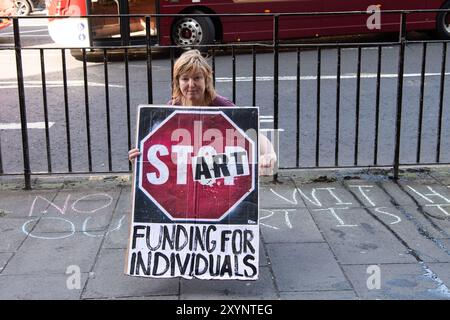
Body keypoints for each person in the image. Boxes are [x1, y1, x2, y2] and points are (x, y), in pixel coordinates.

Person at [128, 49, 277, 175]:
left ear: (206, 80)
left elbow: (252, 132)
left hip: (216, 179)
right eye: (185, 79)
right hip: (185, 183)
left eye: (197, 78)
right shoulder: (172, 108)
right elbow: (160, 147)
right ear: (177, 82)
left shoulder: (222, 106)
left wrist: (270, 154)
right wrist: (140, 157)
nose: (191, 84)